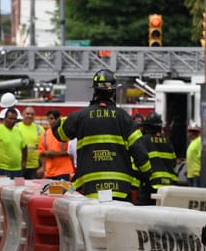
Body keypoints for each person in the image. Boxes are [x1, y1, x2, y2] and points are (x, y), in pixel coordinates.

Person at [54, 69, 149, 201]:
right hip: (120, 191)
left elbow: (59, 133)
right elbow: (141, 153)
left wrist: (74, 117)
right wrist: (145, 176)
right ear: (113, 91)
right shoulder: (125, 118)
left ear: (95, 91)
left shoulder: (81, 116)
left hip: (90, 190)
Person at [138, 112, 178, 204]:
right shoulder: (167, 141)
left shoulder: (144, 140)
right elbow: (173, 162)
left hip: (151, 184)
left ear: (147, 127)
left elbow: (140, 161)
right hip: (168, 185)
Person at [0, 108, 27, 178]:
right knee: (3, 188)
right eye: (10, 118)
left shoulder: (18, 131)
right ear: (5, 118)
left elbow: (24, 147)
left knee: (19, 188)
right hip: (2, 170)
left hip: (18, 170)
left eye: (14, 119)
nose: (12, 121)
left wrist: (24, 162)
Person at [39, 109, 74, 181]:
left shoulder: (65, 133)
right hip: (49, 172)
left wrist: (56, 153)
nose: (54, 121)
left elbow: (71, 151)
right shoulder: (45, 135)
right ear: (48, 119)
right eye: (51, 118)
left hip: (63, 171)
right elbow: (41, 152)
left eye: (56, 118)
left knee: (62, 192)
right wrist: (43, 167)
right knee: (48, 192)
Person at [15, 107, 43, 179]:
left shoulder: (39, 129)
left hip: (34, 167)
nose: (30, 116)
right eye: (27, 114)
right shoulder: (16, 127)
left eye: (32, 114)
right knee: (18, 188)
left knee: (33, 188)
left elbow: (43, 148)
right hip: (18, 165)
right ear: (22, 114)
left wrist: (43, 166)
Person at [185, 122, 202, 186]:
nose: (188, 133)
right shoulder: (193, 142)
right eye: (188, 131)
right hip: (191, 174)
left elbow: (201, 157)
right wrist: (187, 170)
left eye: (190, 132)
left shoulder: (199, 141)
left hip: (196, 174)